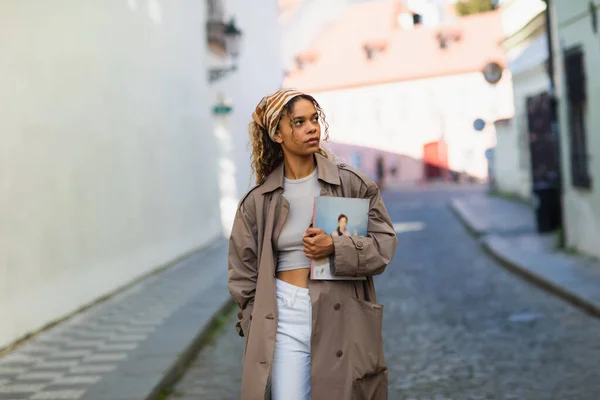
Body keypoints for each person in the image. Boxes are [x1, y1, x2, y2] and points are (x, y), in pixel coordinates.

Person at [228, 88, 398, 400]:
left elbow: (383, 245)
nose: (312, 128)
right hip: (283, 315)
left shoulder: (351, 184)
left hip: (340, 312)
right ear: (277, 134)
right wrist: (253, 319)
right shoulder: (258, 201)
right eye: (299, 122)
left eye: (315, 119)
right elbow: (242, 273)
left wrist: (336, 247)